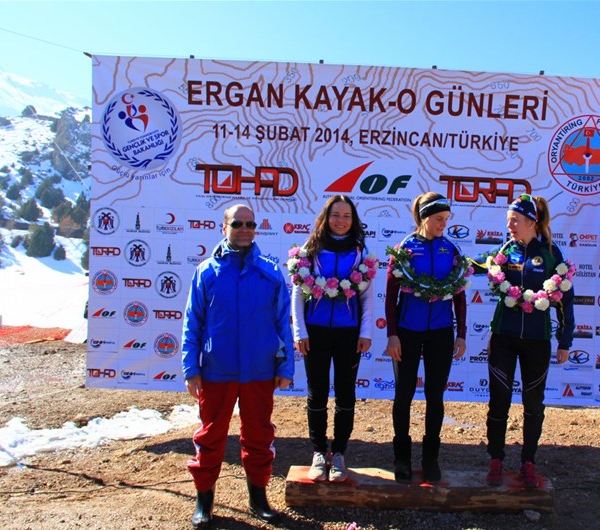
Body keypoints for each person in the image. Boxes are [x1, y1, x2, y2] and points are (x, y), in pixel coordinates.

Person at [181, 204, 294, 528]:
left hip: (259, 369)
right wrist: (191, 368)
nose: (245, 229)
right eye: (237, 224)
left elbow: (282, 323)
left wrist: (285, 367)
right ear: (224, 228)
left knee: (259, 435)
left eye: (250, 224)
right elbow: (193, 322)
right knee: (210, 436)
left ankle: (258, 499)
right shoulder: (206, 272)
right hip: (217, 368)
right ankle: (204, 501)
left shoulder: (269, 272)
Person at [480, 194, 575, 488]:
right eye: (508, 221)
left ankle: (528, 462)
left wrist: (565, 341)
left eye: (515, 221)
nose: (510, 226)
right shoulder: (504, 251)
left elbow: (565, 301)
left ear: (532, 222)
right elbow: (480, 267)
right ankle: (496, 460)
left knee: (533, 403)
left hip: (537, 339)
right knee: (499, 401)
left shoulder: (551, 253)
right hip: (504, 337)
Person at [288, 195, 378, 482]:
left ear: (354, 220)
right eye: (335, 215)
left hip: (348, 333)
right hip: (315, 332)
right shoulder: (310, 248)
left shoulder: (360, 251)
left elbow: (366, 297)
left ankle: (338, 452)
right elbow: (297, 294)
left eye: (346, 216)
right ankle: (318, 451)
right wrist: (300, 332)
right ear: (326, 218)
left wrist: (365, 332)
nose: (341, 221)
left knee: (345, 393)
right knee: (316, 392)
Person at [385, 192, 470, 484]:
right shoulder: (405, 249)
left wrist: (462, 334)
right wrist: (392, 334)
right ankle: (401, 458)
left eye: (446, 219)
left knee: (435, 395)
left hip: (441, 332)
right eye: (438, 219)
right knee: (404, 394)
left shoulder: (451, 249)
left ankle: (430, 459)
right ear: (424, 218)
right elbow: (391, 297)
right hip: (407, 331)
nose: (442, 224)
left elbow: (459, 295)